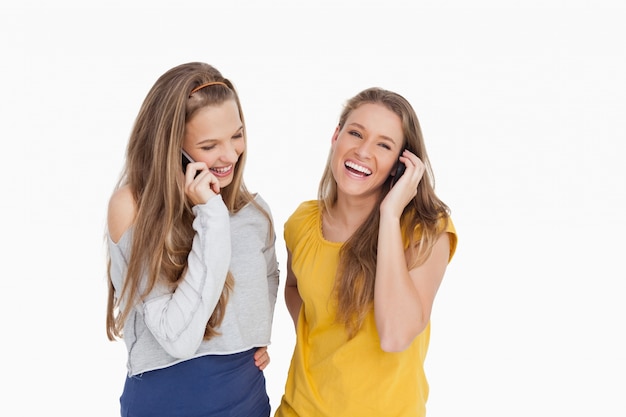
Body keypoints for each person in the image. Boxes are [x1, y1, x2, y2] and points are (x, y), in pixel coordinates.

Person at [105, 62, 279, 417]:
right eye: (209, 144)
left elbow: (269, 279)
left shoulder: (254, 212)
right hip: (166, 404)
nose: (230, 155)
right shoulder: (132, 206)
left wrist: (256, 334)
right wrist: (210, 215)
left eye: (236, 135)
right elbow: (177, 338)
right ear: (173, 147)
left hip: (245, 400)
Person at [274, 87, 458, 417]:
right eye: (355, 133)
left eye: (383, 145)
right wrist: (321, 335)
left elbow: (395, 336)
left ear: (402, 164)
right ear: (336, 136)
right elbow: (293, 287)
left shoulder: (424, 232)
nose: (362, 150)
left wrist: (390, 216)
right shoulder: (302, 222)